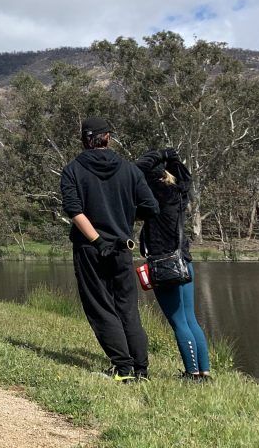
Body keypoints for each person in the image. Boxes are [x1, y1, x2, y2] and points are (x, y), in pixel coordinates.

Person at [61, 116, 159, 383]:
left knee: (100, 306)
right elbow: (151, 208)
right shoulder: (129, 170)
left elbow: (74, 210)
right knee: (128, 307)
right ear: (108, 138)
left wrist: (96, 240)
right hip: (121, 247)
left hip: (89, 248)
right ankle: (141, 369)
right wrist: (125, 217)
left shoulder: (73, 169)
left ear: (84, 140)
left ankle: (122, 368)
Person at [135, 148, 211, 381]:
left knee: (178, 321)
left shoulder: (158, 193)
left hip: (165, 264)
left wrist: (161, 153)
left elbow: (139, 166)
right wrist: (172, 158)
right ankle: (203, 372)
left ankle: (191, 373)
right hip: (184, 261)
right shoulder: (178, 192)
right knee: (191, 320)